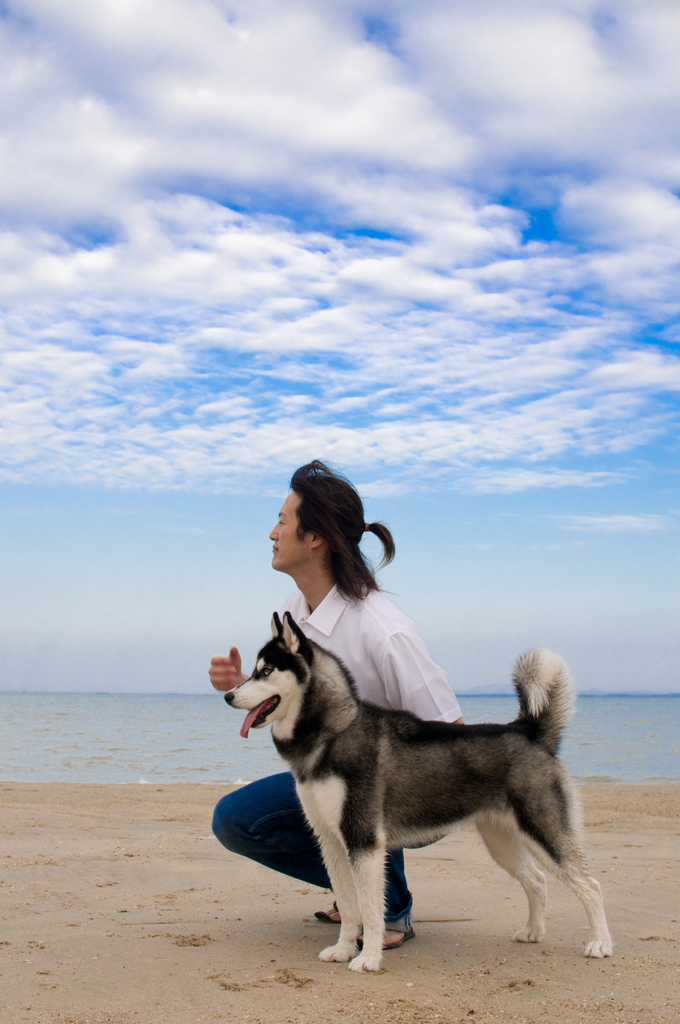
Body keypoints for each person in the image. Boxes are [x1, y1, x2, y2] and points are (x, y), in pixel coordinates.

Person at [210, 460, 463, 949]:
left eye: (282, 521)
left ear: (315, 538)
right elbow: (298, 700)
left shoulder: (384, 631)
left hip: (414, 794)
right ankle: (352, 892)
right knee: (236, 820)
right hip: (333, 778)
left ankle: (387, 907)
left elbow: (452, 735)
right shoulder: (294, 609)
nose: (271, 532)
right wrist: (245, 684)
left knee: (358, 785)